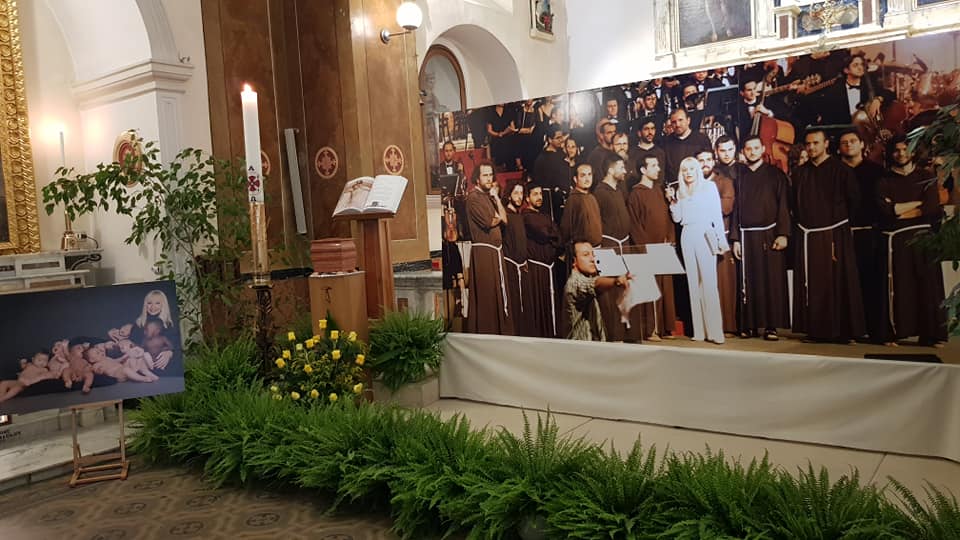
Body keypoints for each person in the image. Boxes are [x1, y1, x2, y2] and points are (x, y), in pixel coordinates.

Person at [790, 128, 865, 342]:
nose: (811, 147)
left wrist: (836, 227)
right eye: (808, 144)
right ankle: (815, 330)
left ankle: (842, 332)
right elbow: (794, 204)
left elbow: (854, 202)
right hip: (808, 235)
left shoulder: (842, 171)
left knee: (838, 283)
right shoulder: (799, 173)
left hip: (835, 233)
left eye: (816, 143)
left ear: (826, 144)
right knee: (813, 284)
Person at [876, 137, 947, 346]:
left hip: (923, 240)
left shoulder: (926, 177)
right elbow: (886, 211)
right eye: (896, 150)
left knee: (927, 288)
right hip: (896, 242)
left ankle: (930, 335)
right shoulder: (883, 181)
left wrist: (899, 209)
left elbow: (931, 207)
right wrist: (916, 204)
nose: (901, 154)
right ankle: (895, 332)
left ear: (913, 151)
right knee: (900, 288)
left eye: (905, 149)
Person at [729, 136, 791, 340]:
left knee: (771, 280)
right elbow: (736, 209)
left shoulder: (776, 174)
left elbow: (783, 205)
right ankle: (749, 324)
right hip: (746, 235)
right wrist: (735, 239)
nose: (752, 152)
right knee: (749, 281)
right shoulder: (739, 176)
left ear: (763, 149)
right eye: (748, 149)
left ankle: (771, 326)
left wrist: (783, 234)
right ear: (743, 151)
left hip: (769, 234)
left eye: (756, 148)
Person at [668, 157, 729, 344]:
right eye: (684, 170)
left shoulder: (709, 187)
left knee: (709, 283)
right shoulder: (680, 191)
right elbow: (678, 219)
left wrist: (721, 240)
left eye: (691, 169)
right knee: (692, 284)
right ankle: (699, 331)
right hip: (687, 235)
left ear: (697, 170)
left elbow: (716, 216)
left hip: (705, 233)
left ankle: (715, 331)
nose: (688, 173)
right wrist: (672, 201)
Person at [839, 129, 887, 343]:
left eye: (853, 141)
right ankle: (848, 330)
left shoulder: (876, 171)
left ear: (862, 145)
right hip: (842, 235)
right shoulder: (834, 171)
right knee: (844, 286)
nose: (849, 145)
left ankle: (875, 331)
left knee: (871, 283)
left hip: (869, 234)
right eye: (844, 142)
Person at [627, 155, 677, 341]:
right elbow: (635, 225)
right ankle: (651, 330)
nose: (658, 169)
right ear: (643, 170)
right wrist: (646, 248)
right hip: (648, 249)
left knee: (665, 287)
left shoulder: (658, 190)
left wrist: (670, 239)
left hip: (663, 246)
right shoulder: (636, 194)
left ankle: (664, 328)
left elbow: (667, 217)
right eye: (653, 165)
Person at [465, 161, 513, 335]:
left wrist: (497, 199)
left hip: (495, 252)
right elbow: (490, 221)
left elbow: (504, 219)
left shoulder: (489, 197)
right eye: (485, 175)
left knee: (498, 293)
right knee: (487, 296)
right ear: (477, 178)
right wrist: (498, 215)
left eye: (491, 175)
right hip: (484, 254)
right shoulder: (473, 198)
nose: (489, 178)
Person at [697, 149, 738, 336]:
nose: (705, 163)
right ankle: (705, 325)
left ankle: (726, 326)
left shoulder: (724, 182)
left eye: (708, 159)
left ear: (713, 161)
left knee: (723, 283)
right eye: (701, 160)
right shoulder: (692, 183)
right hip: (698, 238)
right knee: (702, 282)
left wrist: (696, 207)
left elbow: (726, 207)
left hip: (718, 235)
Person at [594, 153, 633, 341]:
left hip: (623, 245)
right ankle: (613, 336)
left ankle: (626, 333)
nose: (625, 170)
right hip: (609, 247)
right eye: (621, 167)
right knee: (611, 292)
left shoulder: (618, 190)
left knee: (625, 290)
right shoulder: (600, 193)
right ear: (610, 169)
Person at [565, 241, 631, 341]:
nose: (592, 259)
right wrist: (616, 281)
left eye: (593, 254)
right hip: (581, 347)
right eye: (586, 255)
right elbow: (593, 284)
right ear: (574, 261)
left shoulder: (588, 277)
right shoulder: (574, 282)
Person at [523, 183, 564, 338]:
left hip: (549, 268)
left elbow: (559, 238)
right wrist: (552, 234)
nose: (539, 197)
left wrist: (552, 234)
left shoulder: (546, 216)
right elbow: (543, 234)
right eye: (535, 194)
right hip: (537, 269)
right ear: (527, 198)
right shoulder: (526, 217)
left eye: (540, 194)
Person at [109, 290, 177, 370]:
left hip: (162, 365)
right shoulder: (139, 323)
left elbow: (175, 345)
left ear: (163, 305)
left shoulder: (168, 324)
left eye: (157, 303)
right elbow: (133, 343)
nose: (153, 307)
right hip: (141, 361)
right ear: (145, 304)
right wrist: (118, 338)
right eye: (149, 303)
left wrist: (170, 352)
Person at [502, 180, 531, 336]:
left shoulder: (519, 216)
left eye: (521, 193)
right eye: (516, 193)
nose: (519, 197)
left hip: (521, 267)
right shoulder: (506, 215)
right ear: (509, 195)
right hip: (511, 267)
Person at [560, 163, 603, 248]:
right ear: (575, 179)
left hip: (598, 248)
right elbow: (566, 228)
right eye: (583, 175)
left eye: (589, 174)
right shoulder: (573, 199)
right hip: (582, 249)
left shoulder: (592, 197)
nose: (587, 179)